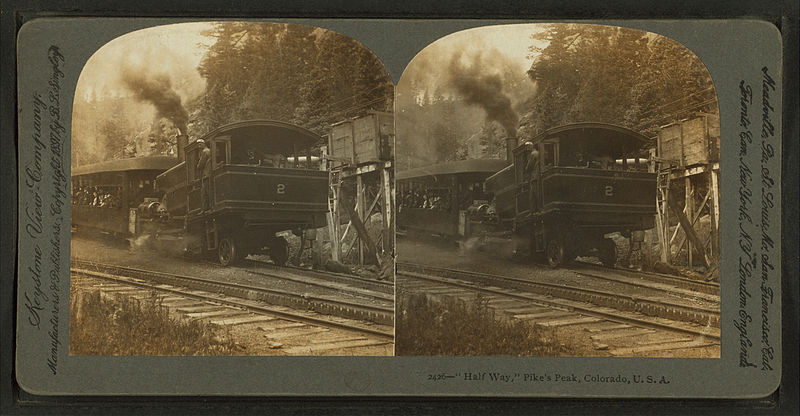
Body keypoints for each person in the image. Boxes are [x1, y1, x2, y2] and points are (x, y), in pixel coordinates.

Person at [196, 139, 212, 211]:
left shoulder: (205, 151)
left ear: (203, 144)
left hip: (206, 174)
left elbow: (200, 165)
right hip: (208, 173)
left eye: (200, 144)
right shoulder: (209, 151)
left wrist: (198, 166)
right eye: (198, 145)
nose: (199, 146)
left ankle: (206, 208)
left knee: (205, 192)